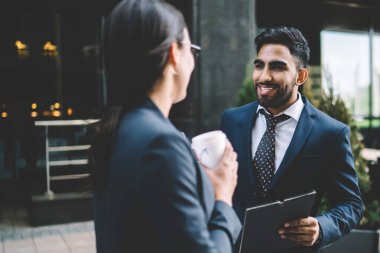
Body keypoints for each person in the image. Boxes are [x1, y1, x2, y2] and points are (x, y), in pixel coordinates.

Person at [89, 0, 241, 252]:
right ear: (174, 53)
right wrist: (223, 198)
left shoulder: (120, 128)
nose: (193, 62)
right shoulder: (161, 142)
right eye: (192, 49)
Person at [220, 26, 364, 252]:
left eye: (277, 67)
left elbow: (352, 204)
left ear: (301, 76)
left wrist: (321, 228)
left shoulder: (331, 133)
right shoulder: (231, 120)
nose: (264, 76)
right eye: (259, 65)